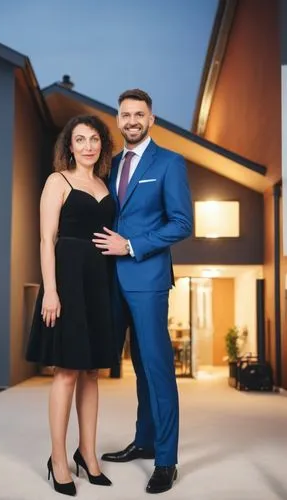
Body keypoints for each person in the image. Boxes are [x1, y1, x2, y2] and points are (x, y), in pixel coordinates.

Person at [93, 89, 193, 494]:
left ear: (151, 119)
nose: (131, 120)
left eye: (139, 114)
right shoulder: (111, 164)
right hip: (109, 280)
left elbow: (182, 223)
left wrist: (131, 245)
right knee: (136, 367)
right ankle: (144, 440)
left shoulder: (169, 163)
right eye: (125, 114)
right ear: (117, 120)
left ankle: (166, 461)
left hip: (147, 279)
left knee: (157, 367)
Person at [26, 115, 116, 496]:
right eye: (80, 139)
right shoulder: (57, 181)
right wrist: (50, 290)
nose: (88, 146)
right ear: (69, 146)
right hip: (66, 282)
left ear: (101, 146)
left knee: (92, 372)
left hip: (100, 282)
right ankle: (58, 459)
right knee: (65, 372)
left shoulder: (104, 185)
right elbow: (47, 240)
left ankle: (88, 455)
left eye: (94, 139)